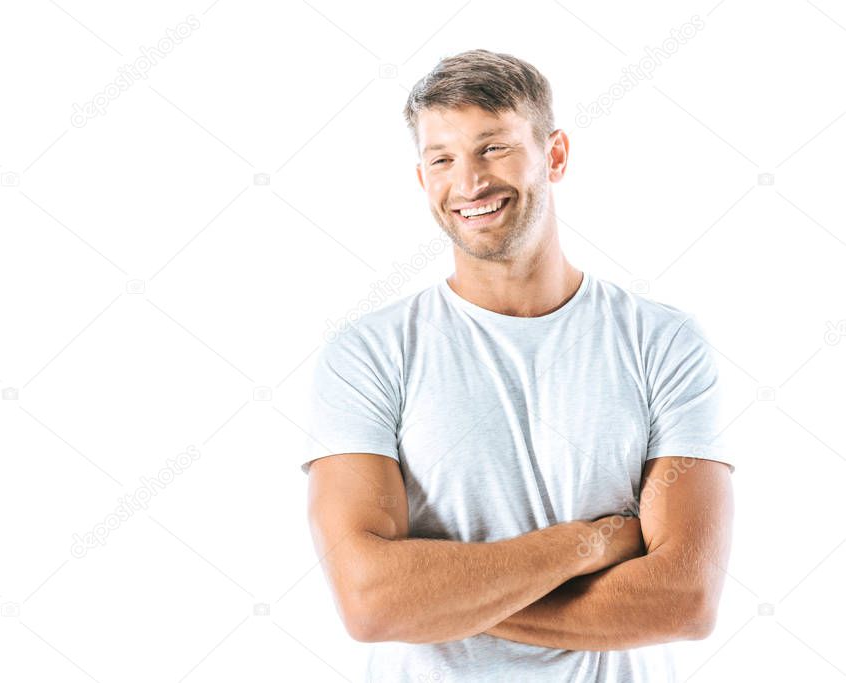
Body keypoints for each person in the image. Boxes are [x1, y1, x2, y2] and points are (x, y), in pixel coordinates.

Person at [301, 49, 735, 681]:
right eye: (442, 159)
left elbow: (686, 599)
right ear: (422, 179)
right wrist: (584, 544)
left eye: (494, 148)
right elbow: (371, 602)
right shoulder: (367, 354)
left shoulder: (662, 342)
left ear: (555, 155)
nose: (469, 183)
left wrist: (436, 594)